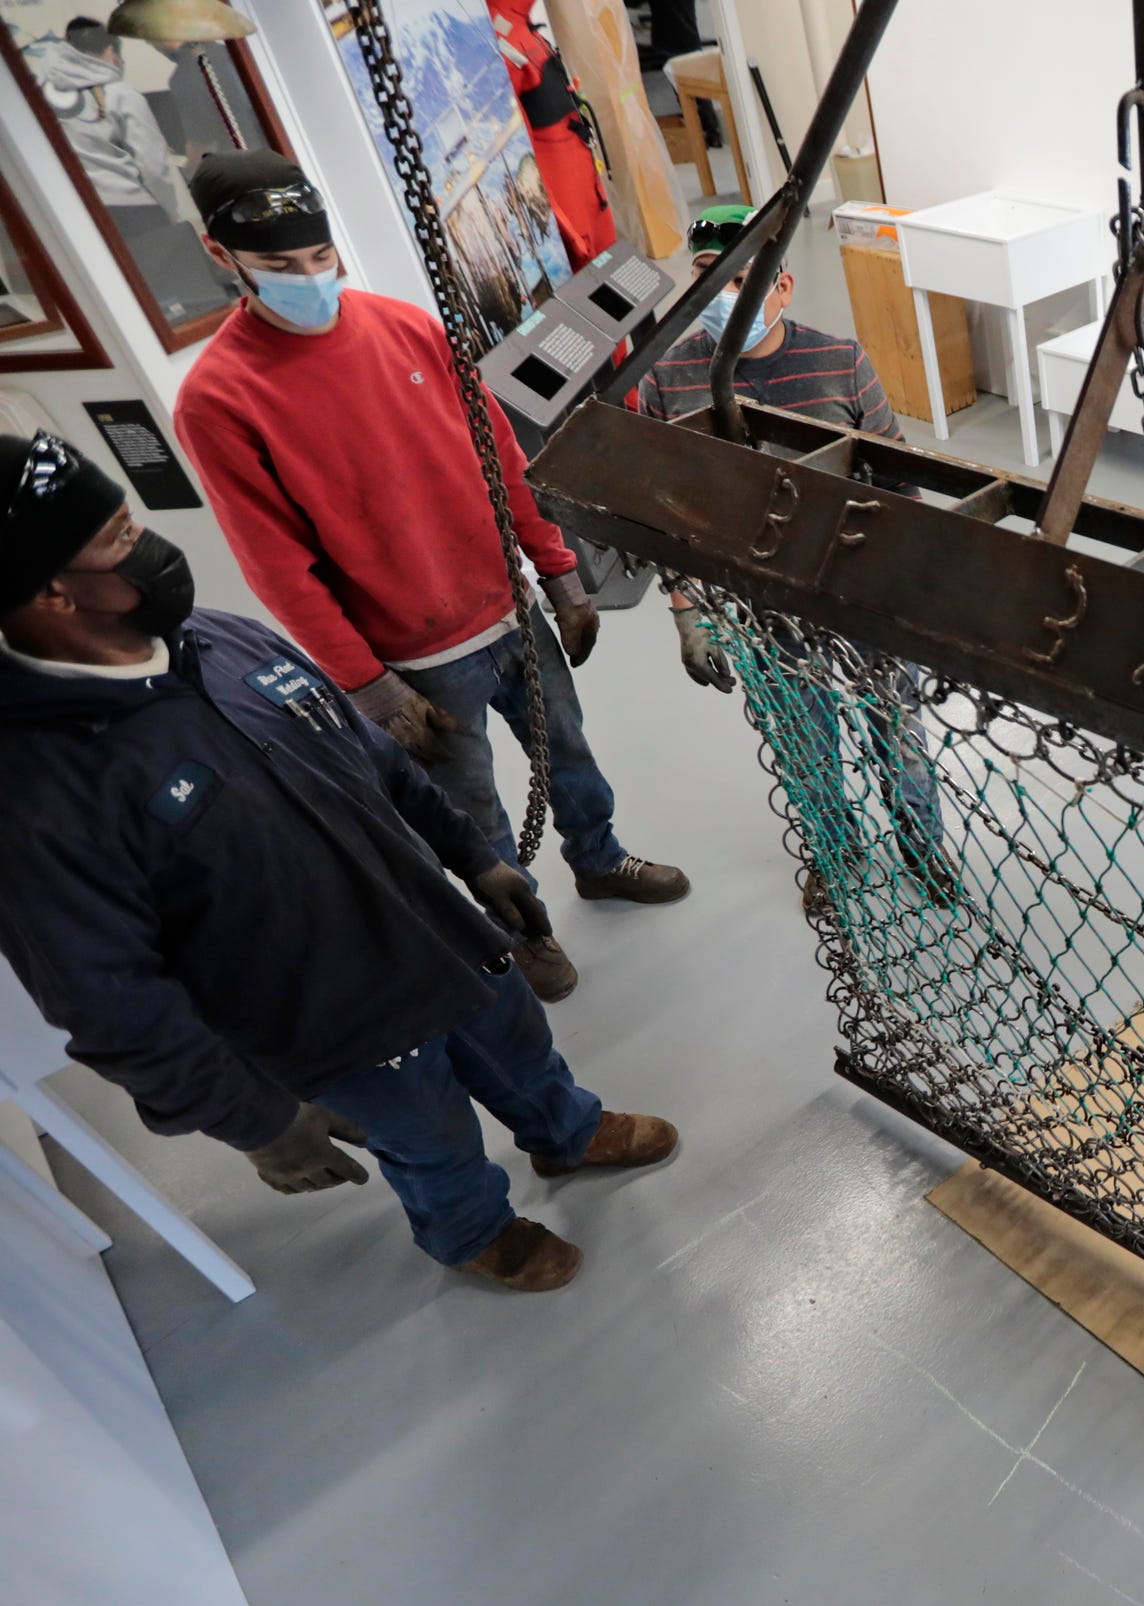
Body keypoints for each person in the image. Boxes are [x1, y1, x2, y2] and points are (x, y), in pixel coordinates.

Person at [0, 434, 679, 1291]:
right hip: (327, 1019)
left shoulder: (219, 639)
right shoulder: (36, 791)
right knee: (427, 1132)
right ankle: (471, 1228)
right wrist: (254, 1121)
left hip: (432, 929)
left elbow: (376, 761)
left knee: (518, 1042)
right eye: (121, 538)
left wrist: (474, 859)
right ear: (52, 590)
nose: (154, 548)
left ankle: (567, 1132)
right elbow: (109, 1003)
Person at [170, 149, 687, 1004]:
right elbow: (279, 569)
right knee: (472, 810)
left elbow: (503, 458)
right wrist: (370, 689)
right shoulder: (220, 399)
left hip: (506, 610)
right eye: (281, 268)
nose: (310, 279)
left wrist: (558, 575)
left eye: (318, 258)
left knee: (571, 752)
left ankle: (598, 861)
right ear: (222, 257)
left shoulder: (407, 327)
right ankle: (522, 931)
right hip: (416, 655)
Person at [639, 205, 954, 910]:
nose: (728, 294)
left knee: (897, 736)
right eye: (709, 276)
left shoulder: (838, 362)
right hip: (761, 610)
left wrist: (913, 597)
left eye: (746, 279)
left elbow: (901, 484)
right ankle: (835, 853)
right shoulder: (668, 380)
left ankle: (921, 846)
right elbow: (666, 516)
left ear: (783, 288)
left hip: (857, 592)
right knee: (804, 745)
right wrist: (687, 613)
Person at [25, 19, 187, 246]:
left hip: (75, 212)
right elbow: (153, 166)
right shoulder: (119, 93)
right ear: (111, 52)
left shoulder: (38, 95)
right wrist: (171, 212)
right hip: (133, 210)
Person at [485, 0, 617, 268]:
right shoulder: (500, 39)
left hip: (587, 195)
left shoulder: (519, 24)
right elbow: (517, 151)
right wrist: (563, 226)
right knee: (592, 286)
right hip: (569, 208)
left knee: (611, 275)